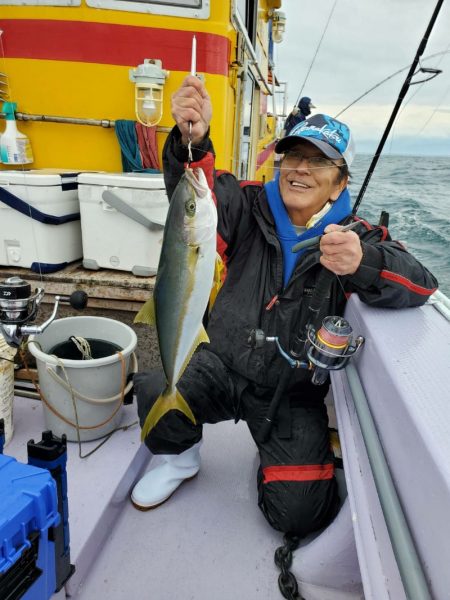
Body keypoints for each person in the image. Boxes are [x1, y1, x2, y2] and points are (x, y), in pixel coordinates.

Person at [131, 76, 438, 538]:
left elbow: (422, 284)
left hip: (289, 392)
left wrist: (364, 261)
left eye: (319, 162)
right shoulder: (246, 203)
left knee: (299, 515)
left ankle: (271, 454)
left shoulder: (357, 235)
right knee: (155, 368)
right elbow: (194, 196)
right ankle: (181, 457)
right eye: (293, 155)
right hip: (220, 359)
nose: (300, 169)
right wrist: (189, 141)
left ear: (340, 183)